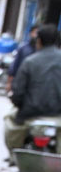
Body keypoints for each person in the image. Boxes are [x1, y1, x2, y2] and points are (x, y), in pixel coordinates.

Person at [4, 23, 61, 153]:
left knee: (10, 122)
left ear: (39, 41)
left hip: (31, 113)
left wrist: (18, 103)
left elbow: (18, 92)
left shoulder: (30, 61)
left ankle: (14, 156)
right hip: (59, 114)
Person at [8, 25, 39, 95]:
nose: (36, 36)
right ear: (30, 33)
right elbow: (14, 66)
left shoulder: (41, 51)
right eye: (35, 33)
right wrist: (9, 83)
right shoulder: (23, 48)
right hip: (21, 82)